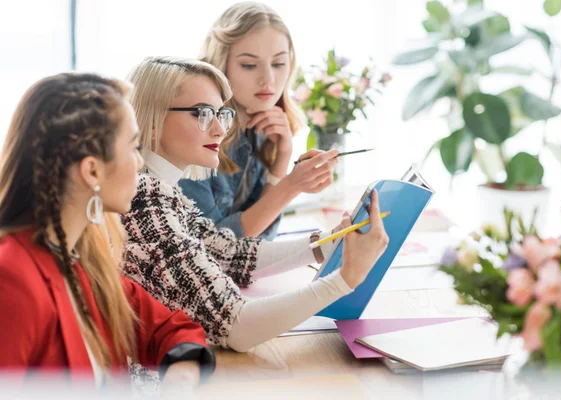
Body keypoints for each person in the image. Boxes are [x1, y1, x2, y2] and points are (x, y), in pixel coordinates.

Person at [123, 56, 389, 353]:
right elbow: (236, 326)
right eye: (202, 113)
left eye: (221, 114)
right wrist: (344, 279)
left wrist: (328, 243)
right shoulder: (145, 201)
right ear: (152, 120)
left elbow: (230, 255)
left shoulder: (157, 189)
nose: (219, 130)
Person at [0, 73, 214, 391]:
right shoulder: (13, 279)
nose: (139, 162)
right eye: (133, 148)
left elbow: (172, 329)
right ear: (92, 171)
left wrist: (180, 379)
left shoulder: (82, 261)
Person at [179, 2, 337, 240]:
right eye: (249, 65)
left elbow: (259, 240)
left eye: (278, 63)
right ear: (221, 66)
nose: (268, 79)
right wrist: (290, 185)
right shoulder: (192, 134)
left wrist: (282, 157)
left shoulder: (263, 129)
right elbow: (214, 250)